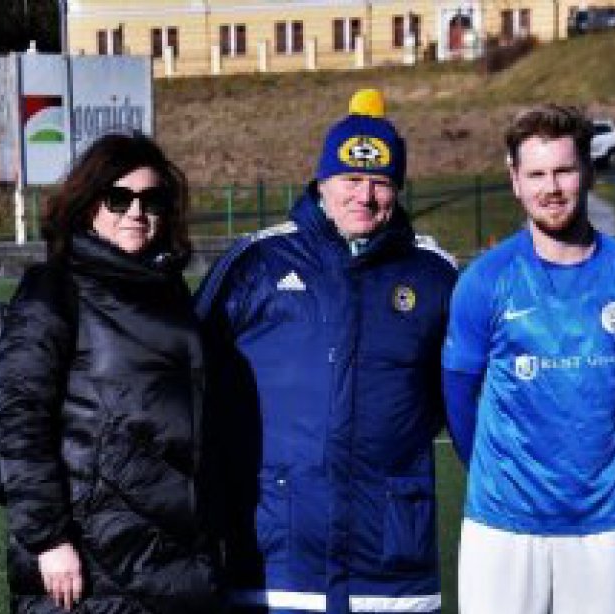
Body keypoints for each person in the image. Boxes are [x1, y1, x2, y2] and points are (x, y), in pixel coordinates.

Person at [194, 89, 457, 614]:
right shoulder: (256, 263)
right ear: (322, 182)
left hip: (390, 566)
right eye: (350, 179)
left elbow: (460, 396)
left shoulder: (434, 275)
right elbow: (191, 380)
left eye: (380, 182)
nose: (365, 196)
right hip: (275, 560)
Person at [442, 104, 615, 614]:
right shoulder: (484, 280)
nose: (551, 188)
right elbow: (457, 397)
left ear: (589, 172)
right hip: (501, 525)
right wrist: (497, 474)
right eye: (536, 174)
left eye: (564, 171)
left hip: (603, 525)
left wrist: (608, 458)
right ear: (515, 180)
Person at [0, 132, 219, 614]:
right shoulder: (55, 288)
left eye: (151, 200)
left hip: (172, 548)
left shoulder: (171, 293)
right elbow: (20, 418)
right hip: (91, 553)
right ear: (89, 204)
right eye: (118, 198)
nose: (136, 212)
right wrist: (48, 539)